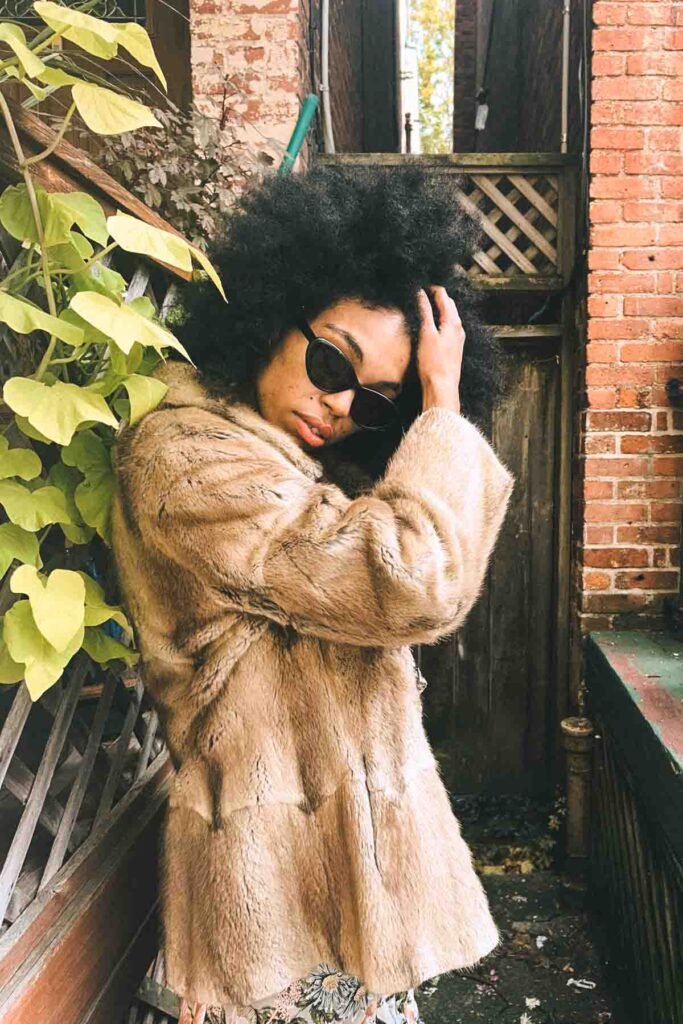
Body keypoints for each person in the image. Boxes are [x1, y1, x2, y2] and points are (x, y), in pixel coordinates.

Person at [110, 165, 516, 1024]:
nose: (338, 405)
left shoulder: (288, 470)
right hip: (272, 903)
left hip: (339, 894)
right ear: (268, 313)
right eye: (332, 360)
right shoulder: (188, 463)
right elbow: (413, 581)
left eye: (376, 404)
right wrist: (438, 404)